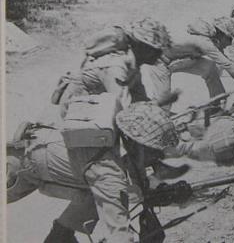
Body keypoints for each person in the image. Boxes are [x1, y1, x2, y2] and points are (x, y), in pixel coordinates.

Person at [6, 100, 180, 243]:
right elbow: (119, 234)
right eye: (154, 150)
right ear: (138, 144)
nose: (158, 157)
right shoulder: (108, 172)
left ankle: (60, 237)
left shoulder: (116, 131)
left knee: (94, 195)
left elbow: (134, 176)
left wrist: (150, 195)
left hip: (34, 149)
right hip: (16, 167)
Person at [141, 17, 234, 104]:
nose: (229, 44)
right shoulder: (204, 42)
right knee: (164, 102)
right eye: (229, 39)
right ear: (221, 34)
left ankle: (217, 103)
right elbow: (228, 64)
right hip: (159, 64)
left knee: (210, 68)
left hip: (178, 60)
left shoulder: (211, 39)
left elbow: (230, 66)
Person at [56, 18, 172, 115]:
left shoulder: (133, 65)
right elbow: (122, 109)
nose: (159, 55)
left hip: (95, 108)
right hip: (77, 113)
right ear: (143, 47)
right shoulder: (115, 66)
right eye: (156, 51)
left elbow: (138, 99)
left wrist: (156, 107)